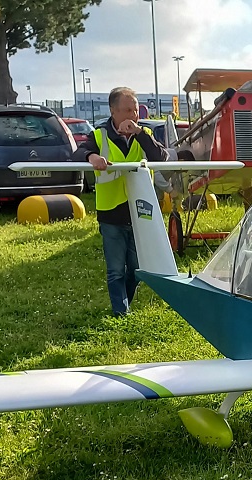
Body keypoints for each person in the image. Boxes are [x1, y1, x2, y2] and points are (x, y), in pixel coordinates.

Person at [73, 87, 168, 316]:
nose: (133, 115)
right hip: (111, 213)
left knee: (136, 268)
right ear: (113, 111)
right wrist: (91, 157)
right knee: (115, 269)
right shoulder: (99, 134)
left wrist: (140, 134)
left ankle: (124, 305)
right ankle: (121, 312)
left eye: (135, 110)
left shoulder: (144, 133)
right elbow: (77, 153)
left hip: (140, 212)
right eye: (127, 110)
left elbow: (161, 157)